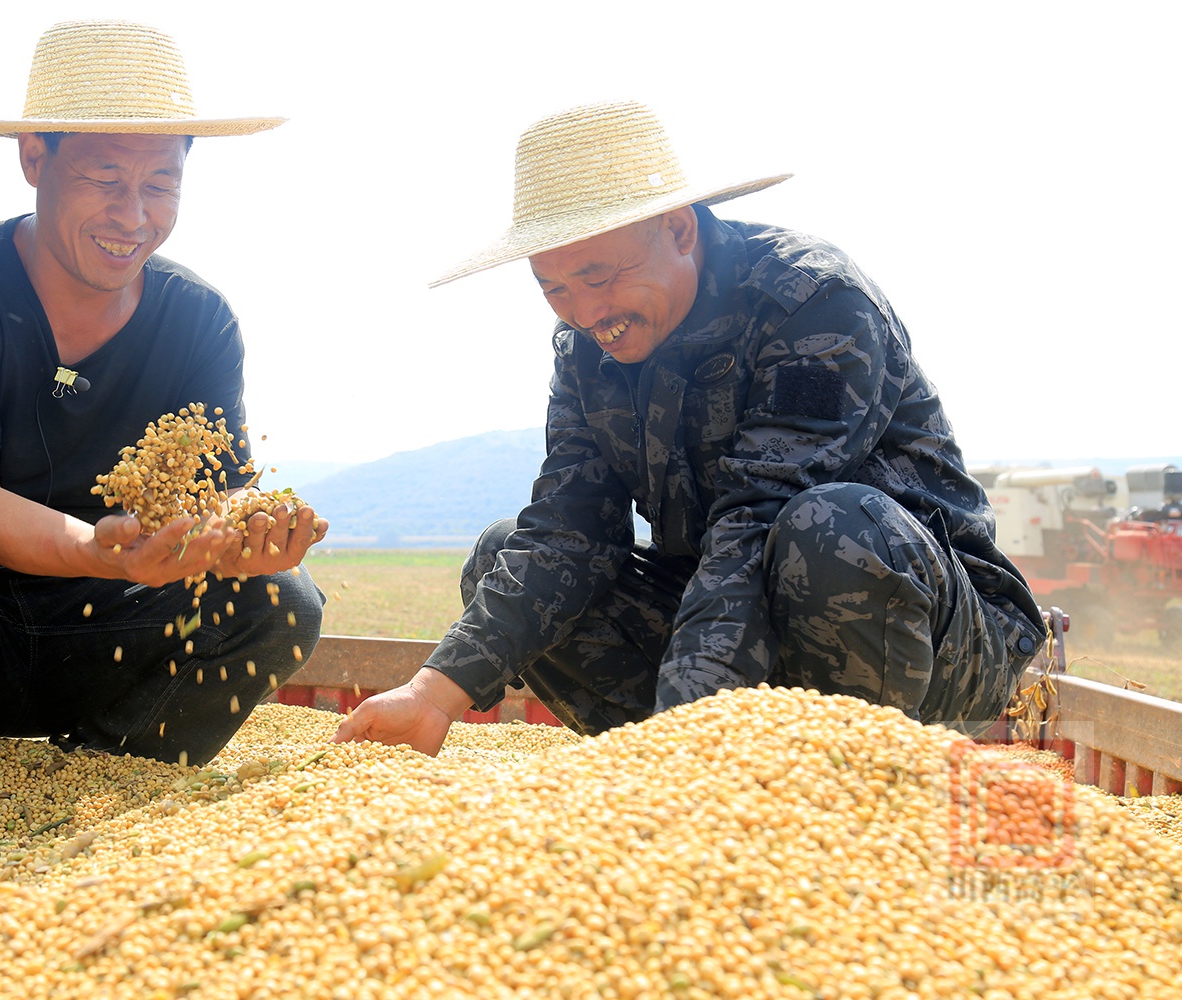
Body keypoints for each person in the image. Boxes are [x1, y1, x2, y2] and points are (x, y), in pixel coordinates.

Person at [336, 100, 1045, 755]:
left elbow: (757, 523)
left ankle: (800, 785)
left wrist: (686, 743)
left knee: (832, 527)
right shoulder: (588, 349)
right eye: (554, 289)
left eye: (600, 275)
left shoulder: (812, 303)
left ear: (678, 228)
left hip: (927, 632)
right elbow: (568, 531)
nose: (586, 313)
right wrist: (433, 694)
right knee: (505, 556)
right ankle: (686, 772)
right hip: (724, 620)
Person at [0, 20, 327, 831]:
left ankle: (100, 784)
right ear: (34, 160)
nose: (134, 215)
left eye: (161, 185)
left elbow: (223, 493)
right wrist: (95, 550)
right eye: (105, 177)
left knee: (283, 599)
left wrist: (246, 531)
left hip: (97, 640)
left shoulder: (199, 320)